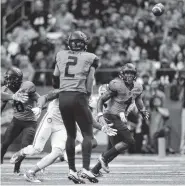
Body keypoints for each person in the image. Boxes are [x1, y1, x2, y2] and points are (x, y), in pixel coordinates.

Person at [10, 89, 117, 183]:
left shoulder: (82, 99)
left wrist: (102, 127)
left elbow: (90, 119)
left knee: (57, 152)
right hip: (50, 120)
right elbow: (44, 97)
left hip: (62, 126)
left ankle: (31, 172)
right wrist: (39, 107)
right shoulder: (62, 92)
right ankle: (22, 152)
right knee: (36, 149)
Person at [52, 30, 99, 184]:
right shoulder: (90, 57)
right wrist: (88, 95)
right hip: (78, 96)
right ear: (84, 44)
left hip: (63, 97)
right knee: (87, 135)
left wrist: (61, 88)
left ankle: (72, 170)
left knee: (71, 134)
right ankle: (85, 168)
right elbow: (90, 78)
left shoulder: (61, 54)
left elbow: (55, 75)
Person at [91, 63, 149, 176]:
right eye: (127, 73)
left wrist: (142, 110)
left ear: (135, 75)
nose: (129, 75)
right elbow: (101, 100)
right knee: (130, 141)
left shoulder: (138, 87)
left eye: (131, 73)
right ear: (122, 74)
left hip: (118, 117)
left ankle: (94, 170)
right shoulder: (116, 84)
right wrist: (99, 115)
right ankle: (103, 157)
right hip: (111, 115)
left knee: (117, 148)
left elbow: (138, 100)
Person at [1, 67, 39, 174]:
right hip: (16, 121)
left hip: (30, 122)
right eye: (7, 78)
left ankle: (16, 169)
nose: (7, 81)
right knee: (5, 144)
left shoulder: (26, 86)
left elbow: (39, 98)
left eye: (10, 78)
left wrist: (39, 107)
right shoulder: (5, 89)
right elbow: (1, 97)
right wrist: (13, 96)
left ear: (16, 79)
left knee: (25, 147)